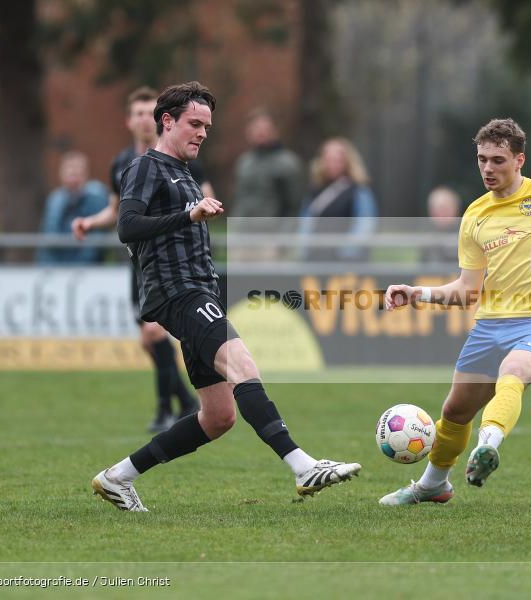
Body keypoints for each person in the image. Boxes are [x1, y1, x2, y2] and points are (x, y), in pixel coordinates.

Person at [91, 82, 360, 512]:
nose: (201, 133)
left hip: (199, 288)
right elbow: (127, 226)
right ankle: (302, 465)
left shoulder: (185, 172)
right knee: (243, 364)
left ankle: (118, 477)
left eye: (207, 127)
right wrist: (188, 214)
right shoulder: (147, 168)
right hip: (178, 293)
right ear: (168, 121)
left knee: (218, 417)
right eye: (194, 124)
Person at [378, 118, 531, 505]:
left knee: (513, 373)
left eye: (498, 160)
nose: (488, 168)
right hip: (489, 326)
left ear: (520, 160)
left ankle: (487, 447)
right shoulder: (475, 215)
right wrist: (417, 293)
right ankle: (434, 485)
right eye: (482, 159)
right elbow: (468, 290)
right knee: (454, 410)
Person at [72, 86, 204, 433]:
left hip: (174, 265)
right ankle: (187, 402)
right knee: (149, 340)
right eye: (139, 114)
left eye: (150, 112)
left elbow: (201, 199)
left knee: (154, 333)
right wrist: (90, 222)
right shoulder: (122, 163)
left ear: (161, 119)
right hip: (140, 264)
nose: (146, 119)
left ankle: (165, 410)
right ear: (130, 121)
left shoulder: (183, 157)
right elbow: (119, 213)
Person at [298, 137, 377, 261]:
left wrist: (346, 252)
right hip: (317, 257)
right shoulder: (315, 189)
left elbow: (364, 225)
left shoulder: (358, 190)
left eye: (337, 160)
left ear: (347, 162)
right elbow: (306, 222)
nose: (332, 165)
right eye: (328, 160)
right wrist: (304, 249)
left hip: (345, 261)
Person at [37, 151, 108, 264]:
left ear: (85, 173)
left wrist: (79, 266)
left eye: (77, 169)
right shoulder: (55, 199)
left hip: (88, 269)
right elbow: (49, 237)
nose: (72, 172)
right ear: (61, 173)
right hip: (55, 269)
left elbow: (96, 241)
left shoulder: (97, 198)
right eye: (68, 169)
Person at [231, 108, 303, 219]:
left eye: (264, 129)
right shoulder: (244, 161)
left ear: (275, 131)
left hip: (271, 233)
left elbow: (294, 206)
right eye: (255, 128)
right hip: (243, 231)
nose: (259, 133)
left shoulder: (288, 163)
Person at [422, 186, 461, 265]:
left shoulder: (467, 235)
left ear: (455, 209)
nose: (440, 213)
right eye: (436, 209)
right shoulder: (425, 237)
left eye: (445, 209)